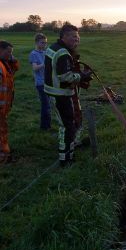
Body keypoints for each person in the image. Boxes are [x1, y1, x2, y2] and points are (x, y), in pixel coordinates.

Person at [44, 24, 93, 166]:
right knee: (67, 125)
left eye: (78, 37)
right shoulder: (63, 53)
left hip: (53, 92)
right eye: (73, 37)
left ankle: (71, 145)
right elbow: (65, 77)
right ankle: (65, 159)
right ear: (64, 36)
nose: (76, 40)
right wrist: (82, 76)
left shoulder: (53, 47)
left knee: (67, 123)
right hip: (61, 95)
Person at [0, 40, 20, 164]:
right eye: (8, 52)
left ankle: (4, 154)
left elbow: (15, 68)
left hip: (4, 106)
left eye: (11, 53)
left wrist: (11, 58)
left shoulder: (5, 63)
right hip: (1, 106)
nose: (10, 55)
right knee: (1, 131)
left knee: (3, 129)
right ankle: (3, 158)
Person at [29, 33, 51, 130]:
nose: (44, 45)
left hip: (48, 82)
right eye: (42, 43)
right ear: (37, 42)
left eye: (45, 43)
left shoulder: (46, 52)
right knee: (45, 105)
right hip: (40, 83)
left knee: (48, 105)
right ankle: (44, 127)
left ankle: (48, 126)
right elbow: (34, 68)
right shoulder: (33, 54)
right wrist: (44, 64)